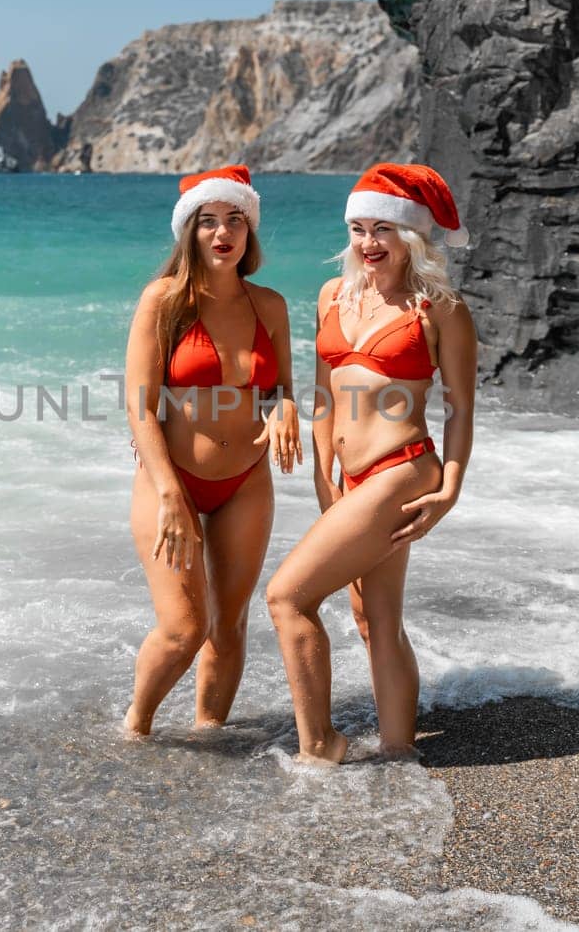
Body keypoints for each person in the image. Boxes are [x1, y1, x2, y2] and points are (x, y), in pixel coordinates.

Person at [265, 163, 477, 764]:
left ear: (411, 235)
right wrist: (321, 473)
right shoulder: (334, 295)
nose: (368, 243)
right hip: (349, 479)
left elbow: (461, 411)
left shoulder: (441, 309)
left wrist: (450, 489)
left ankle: (319, 748)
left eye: (383, 229)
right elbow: (324, 395)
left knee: (288, 597)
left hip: (403, 470)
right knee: (374, 617)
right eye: (359, 229)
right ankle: (397, 753)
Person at [122, 165, 301, 735]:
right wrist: (170, 493)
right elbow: (140, 406)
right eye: (208, 222)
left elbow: (279, 392)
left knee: (228, 627)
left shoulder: (269, 305)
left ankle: (209, 739)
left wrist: (288, 411)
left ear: (249, 232)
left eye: (235, 221)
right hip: (169, 480)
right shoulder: (165, 300)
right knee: (183, 629)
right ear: (189, 233)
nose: (223, 233)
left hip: (244, 482)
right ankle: (135, 728)